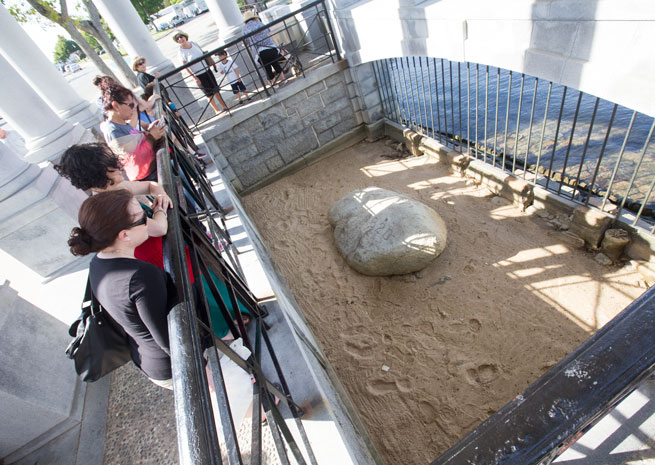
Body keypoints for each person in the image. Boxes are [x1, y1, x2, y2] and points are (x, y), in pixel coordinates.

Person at [55, 143, 244, 340]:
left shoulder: (117, 190)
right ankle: (224, 328)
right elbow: (158, 228)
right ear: (98, 175)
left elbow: (150, 185)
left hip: (159, 245)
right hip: (154, 253)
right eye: (111, 168)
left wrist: (160, 194)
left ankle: (232, 316)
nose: (119, 169)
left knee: (201, 279)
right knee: (194, 285)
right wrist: (160, 210)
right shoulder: (111, 206)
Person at [68, 189, 178, 389]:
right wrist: (200, 369)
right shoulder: (141, 276)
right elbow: (168, 339)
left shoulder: (98, 263)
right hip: (169, 364)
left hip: (144, 357)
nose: (148, 219)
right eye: (144, 217)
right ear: (124, 235)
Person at [99, 81, 165, 182]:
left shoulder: (121, 124)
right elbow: (134, 157)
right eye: (130, 105)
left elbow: (136, 141)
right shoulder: (113, 130)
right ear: (116, 106)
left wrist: (149, 132)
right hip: (148, 176)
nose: (133, 109)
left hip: (154, 170)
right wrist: (152, 136)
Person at [173, 30, 228, 115]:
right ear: (177, 41)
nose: (180, 39)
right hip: (198, 74)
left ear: (185, 36)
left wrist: (212, 63)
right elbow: (185, 67)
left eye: (181, 36)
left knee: (216, 89)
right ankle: (216, 110)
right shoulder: (181, 52)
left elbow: (203, 53)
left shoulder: (193, 43)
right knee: (208, 94)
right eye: (178, 38)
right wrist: (194, 77)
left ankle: (224, 106)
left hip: (206, 69)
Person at [242, 10, 285, 85]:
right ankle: (283, 80)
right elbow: (270, 34)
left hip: (259, 53)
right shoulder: (260, 23)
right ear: (253, 17)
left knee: (267, 68)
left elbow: (245, 42)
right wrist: (276, 46)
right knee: (275, 64)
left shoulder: (244, 29)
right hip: (271, 48)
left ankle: (275, 84)